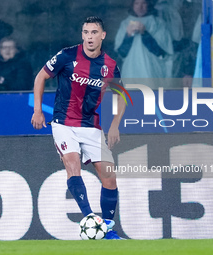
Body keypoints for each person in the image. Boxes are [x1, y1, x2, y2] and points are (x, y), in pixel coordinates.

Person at [31, 16, 126, 240]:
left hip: (91, 126)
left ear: (102, 35)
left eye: (94, 32)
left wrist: (115, 125)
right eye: (85, 32)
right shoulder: (67, 55)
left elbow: (122, 95)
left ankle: (108, 231)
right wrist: (37, 110)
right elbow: (41, 76)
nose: (89, 37)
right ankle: (90, 219)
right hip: (64, 123)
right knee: (73, 164)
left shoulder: (110, 65)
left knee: (110, 178)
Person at [114, 0, 173, 89]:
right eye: (137, 3)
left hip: (151, 73)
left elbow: (161, 53)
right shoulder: (125, 24)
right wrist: (128, 36)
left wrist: (145, 34)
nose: (140, 7)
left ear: (149, 4)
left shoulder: (158, 24)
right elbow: (121, 53)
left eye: (143, 3)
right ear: (132, 5)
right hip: (131, 73)